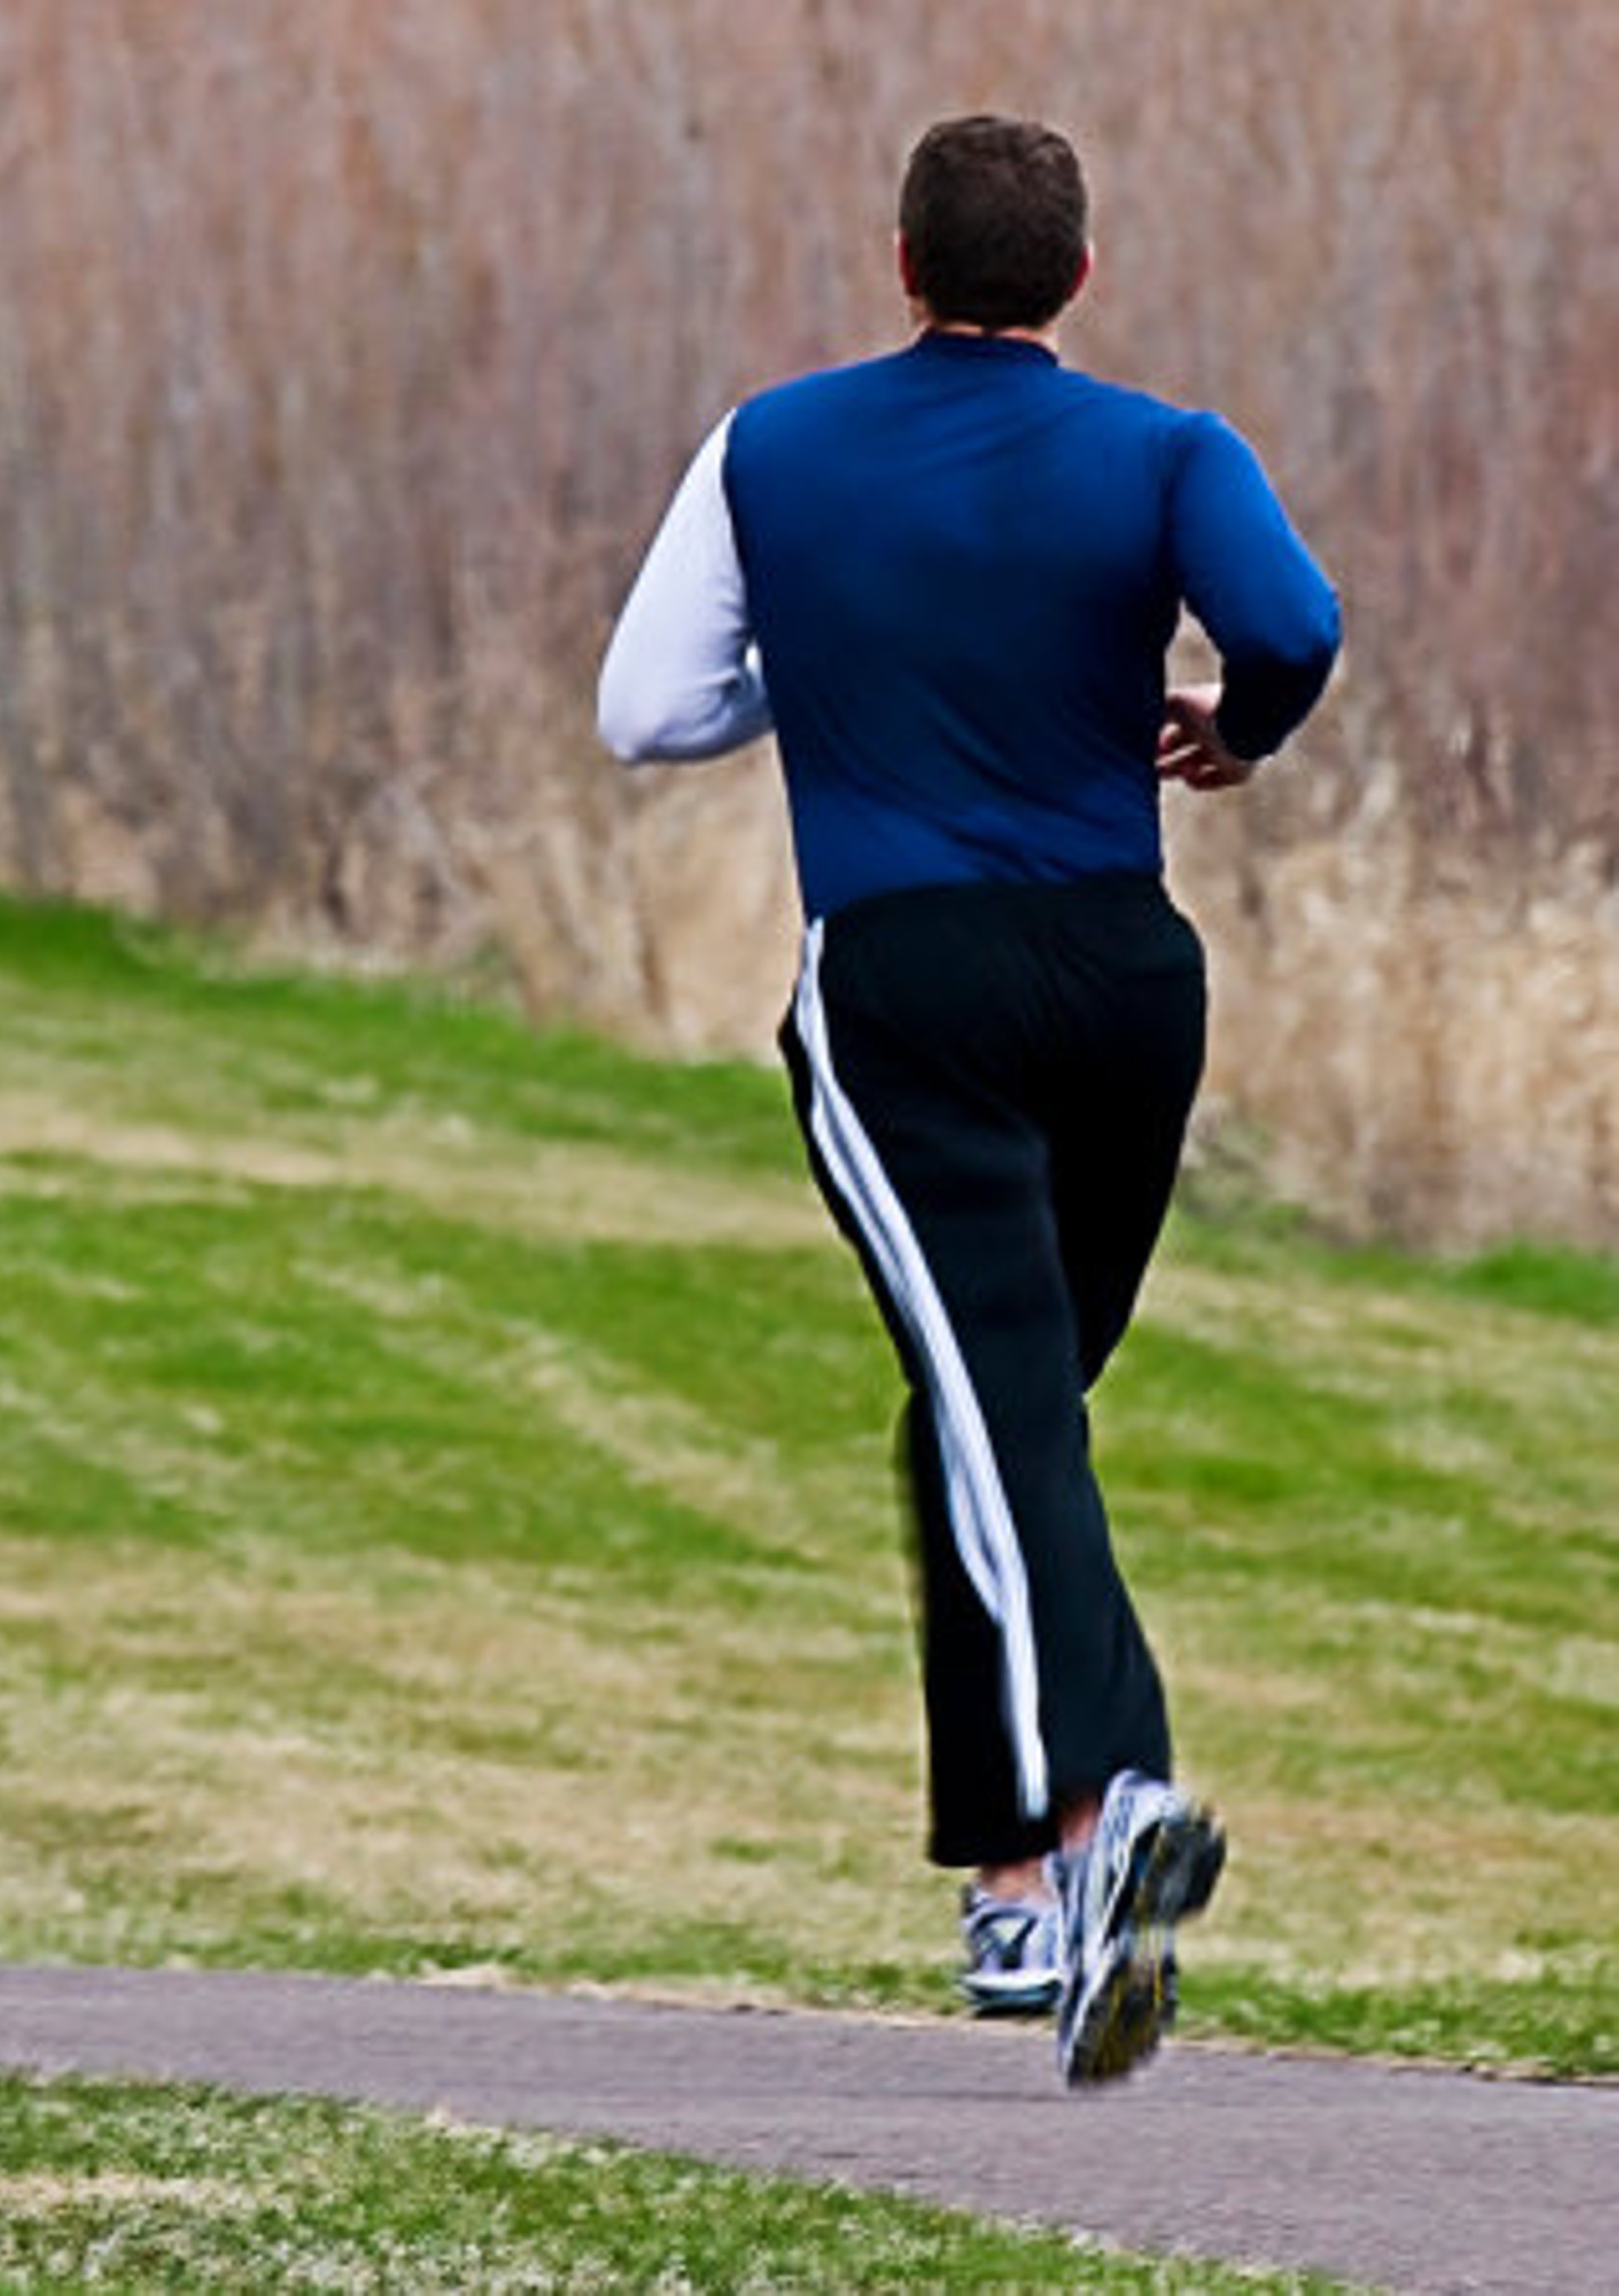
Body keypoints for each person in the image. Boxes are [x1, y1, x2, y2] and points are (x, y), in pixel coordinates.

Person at [597, 113, 1340, 2086]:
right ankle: (1014, 1892)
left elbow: (647, 710)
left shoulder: (771, 446)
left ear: (902, 264)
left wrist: (821, 669)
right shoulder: (1172, 451)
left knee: (1000, 1409)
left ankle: (1111, 1802)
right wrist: (1241, 731)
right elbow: (1291, 629)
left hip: (907, 987)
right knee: (1002, 1410)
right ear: (1079, 275)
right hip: (1125, 979)